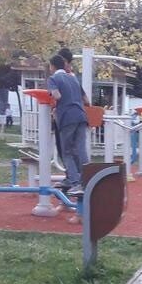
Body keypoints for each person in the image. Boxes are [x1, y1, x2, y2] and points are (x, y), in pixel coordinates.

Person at [47, 50, 89, 195]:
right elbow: (86, 100)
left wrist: (51, 95)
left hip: (67, 117)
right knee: (81, 149)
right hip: (81, 116)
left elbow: (57, 96)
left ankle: (75, 181)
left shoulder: (53, 79)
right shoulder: (73, 78)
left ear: (52, 66)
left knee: (67, 152)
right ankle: (87, 180)